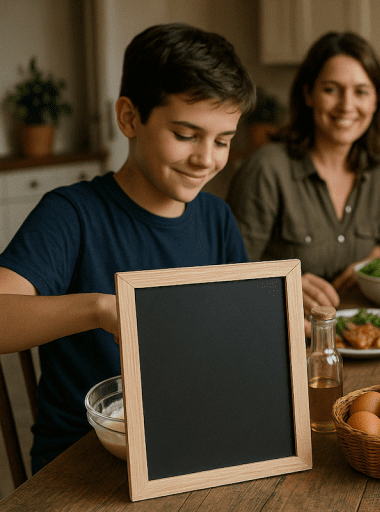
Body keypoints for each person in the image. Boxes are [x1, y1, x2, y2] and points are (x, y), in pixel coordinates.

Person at [0, 23, 257, 472]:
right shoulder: (71, 214)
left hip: (188, 441)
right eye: (185, 134)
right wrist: (99, 308)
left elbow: (237, 339)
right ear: (129, 118)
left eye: (223, 140)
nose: (206, 159)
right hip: (83, 461)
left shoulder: (216, 218)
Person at [227, 32, 380, 336]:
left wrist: (374, 259)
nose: (347, 105)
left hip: (360, 335)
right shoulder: (267, 168)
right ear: (308, 94)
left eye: (361, 91)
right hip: (279, 339)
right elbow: (227, 272)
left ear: (376, 101)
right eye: (331, 89)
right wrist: (279, 287)